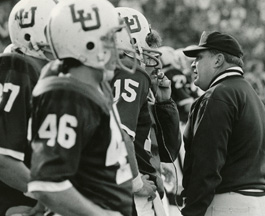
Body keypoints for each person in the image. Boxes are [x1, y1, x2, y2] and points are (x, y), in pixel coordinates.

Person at [27, 0, 137, 215]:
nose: (119, 49)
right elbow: (48, 184)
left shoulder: (94, 86)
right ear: (88, 44)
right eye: (110, 40)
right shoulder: (68, 94)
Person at [181, 31, 265, 216]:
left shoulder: (219, 95)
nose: (193, 64)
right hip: (255, 203)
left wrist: (192, 211)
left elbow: (207, 164)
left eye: (199, 57)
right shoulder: (252, 95)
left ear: (218, 60)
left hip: (226, 204)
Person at [112, 7, 181, 216]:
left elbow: (170, 151)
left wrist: (164, 103)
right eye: (147, 45)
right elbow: (122, 134)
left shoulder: (136, 79)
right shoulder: (130, 73)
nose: (155, 61)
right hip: (131, 193)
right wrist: (135, 181)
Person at [0, 0, 56, 214]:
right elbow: (3, 159)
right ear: (32, 38)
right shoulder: (18, 68)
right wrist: (48, 196)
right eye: (54, 32)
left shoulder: (39, 74)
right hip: (13, 202)